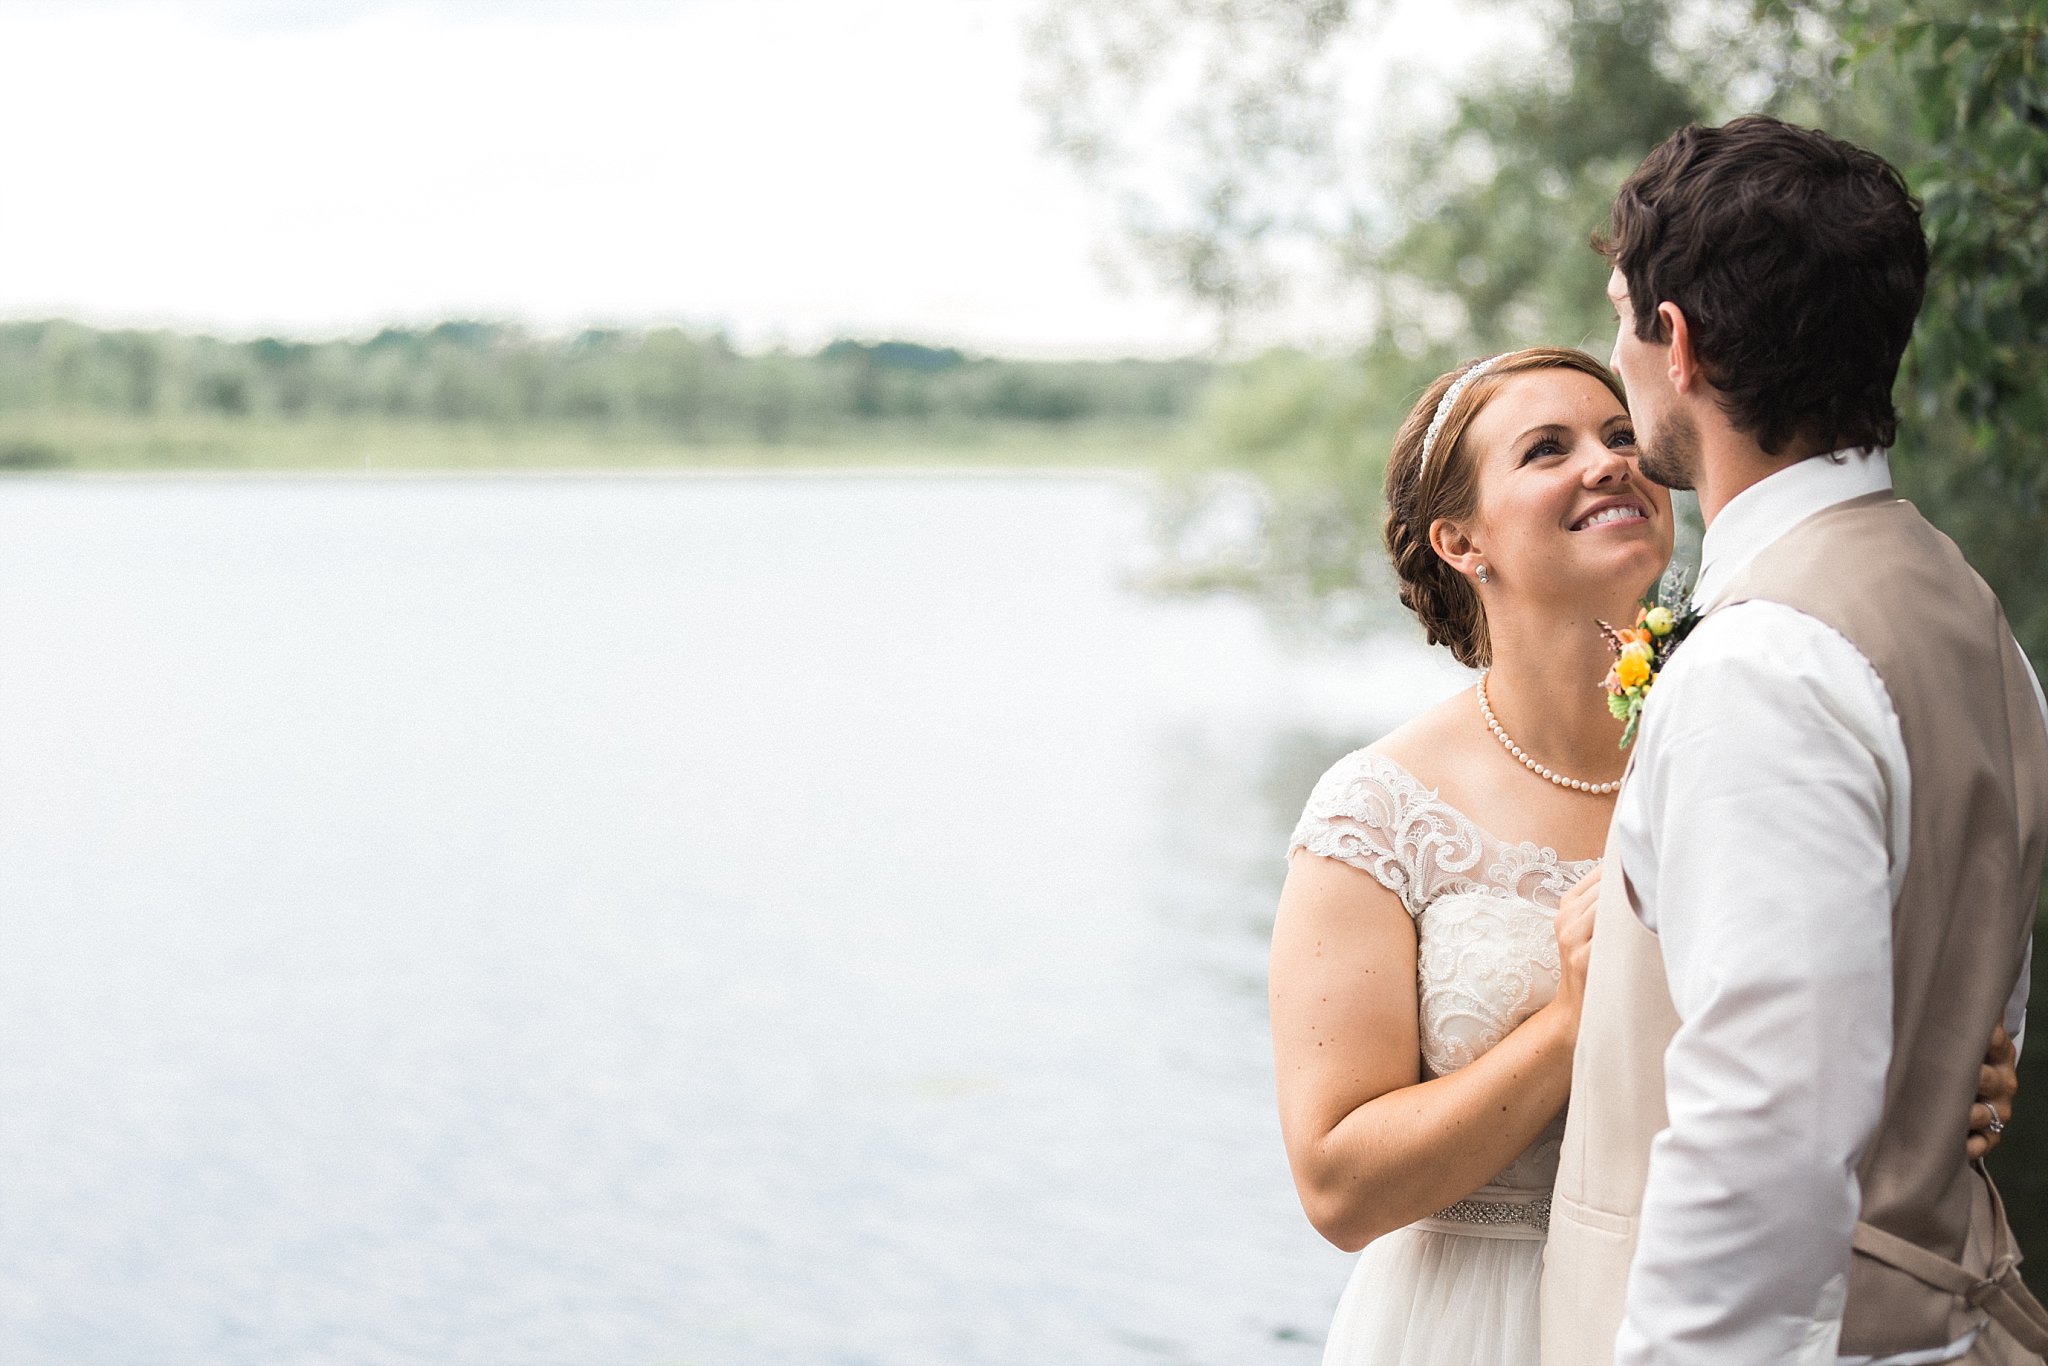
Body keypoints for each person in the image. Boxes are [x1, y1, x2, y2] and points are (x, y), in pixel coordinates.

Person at [1269, 343, 2022, 1366]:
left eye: (1621, 433)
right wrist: (1575, 1018)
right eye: (1548, 449)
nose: (1609, 460)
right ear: (1459, 540)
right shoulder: (1378, 810)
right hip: (1471, 1325)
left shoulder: (1758, 726)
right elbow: (1337, 1186)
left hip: (1732, 1304)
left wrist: (1934, 1071)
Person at [1540, 116, 2048, 1366]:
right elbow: (1987, 993)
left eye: (1620, 314)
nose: (1617, 356)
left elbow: (1762, 1123)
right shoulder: (1966, 608)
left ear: (1680, 342)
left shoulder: (1764, 663)